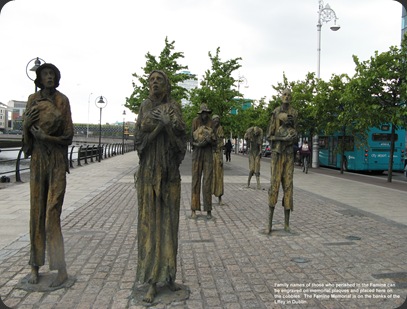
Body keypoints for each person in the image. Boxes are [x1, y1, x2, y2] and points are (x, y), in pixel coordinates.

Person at [134, 70, 186, 303]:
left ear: (167, 85)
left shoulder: (174, 106)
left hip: (169, 174)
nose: (155, 83)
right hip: (148, 173)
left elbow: (181, 144)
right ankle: (152, 281)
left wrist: (169, 127)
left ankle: (169, 275)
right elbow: (139, 142)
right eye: (152, 80)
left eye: (160, 80)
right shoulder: (145, 106)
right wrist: (160, 127)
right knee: (150, 224)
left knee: (169, 224)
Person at [22, 63, 73, 287]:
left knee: (52, 212)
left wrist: (47, 138)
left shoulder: (63, 101)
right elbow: (28, 141)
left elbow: (69, 136)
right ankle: (35, 266)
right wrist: (25, 126)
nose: (49, 77)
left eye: (52, 74)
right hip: (38, 161)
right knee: (36, 211)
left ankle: (60, 268)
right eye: (45, 74)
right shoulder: (33, 100)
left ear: (57, 77)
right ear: (39, 78)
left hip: (57, 161)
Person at [266, 88, 298, 234]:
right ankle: (269, 224)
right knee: (274, 184)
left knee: (289, 185)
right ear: (281, 97)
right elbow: (269, 136)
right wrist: (282, 139)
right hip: (277, 154)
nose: (286, 97)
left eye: (289, 95)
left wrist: (292, 137)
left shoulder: (295, 113)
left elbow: (296, 133)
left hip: (289, 154)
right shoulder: (276, 112)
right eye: (284, 94)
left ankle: (287, 224)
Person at [191, 103, 216, 219]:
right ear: (200, 114)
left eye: (207, 113)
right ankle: (194, 209)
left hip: (208, 154)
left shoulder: (211, 123)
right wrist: (198, 144)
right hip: (197, 153)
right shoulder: (195, 121)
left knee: (207, 181)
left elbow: (214, 141)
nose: (205, 116)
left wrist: (208, 141)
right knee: (195, 180)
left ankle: (208, 210)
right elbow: (191, 140)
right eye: (203, 113)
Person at [212, 115, 224, 205]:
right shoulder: (210, 129)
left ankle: (220, 197)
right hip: (210, 155)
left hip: (217, 155)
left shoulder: (220, 129)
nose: (216, 123)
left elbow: (220, 146)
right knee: (210, 177)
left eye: (217, 121)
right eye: (214, 121)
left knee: (219, 176)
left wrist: (221, 158)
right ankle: (208, 197)